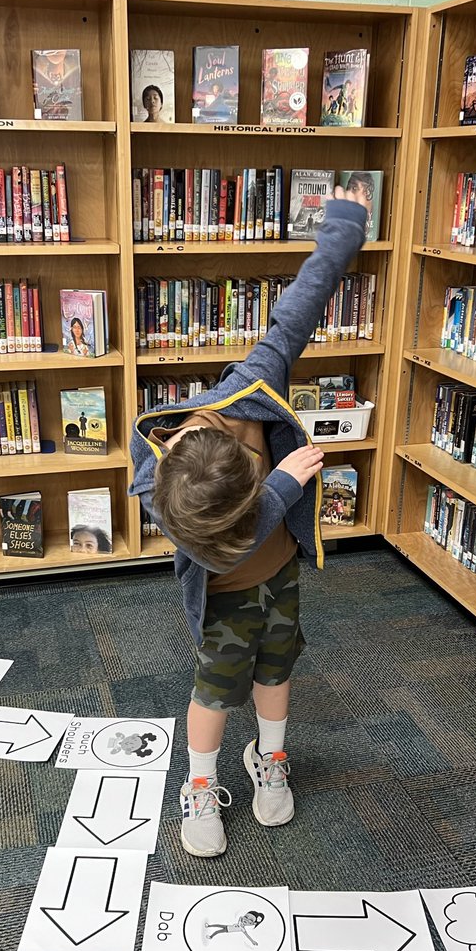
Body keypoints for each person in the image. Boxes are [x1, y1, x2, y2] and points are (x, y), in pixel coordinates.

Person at [129, 182, 369, 858]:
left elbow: (299, 307)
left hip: (280, 582)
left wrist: (344, 228)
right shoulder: (162, 487)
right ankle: (199, 783)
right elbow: (234, 540)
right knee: (216, 689)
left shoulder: (250, 391)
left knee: (277, 671)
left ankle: (271, 758)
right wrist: (284, 491)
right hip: (226, 605)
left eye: (253, 507)